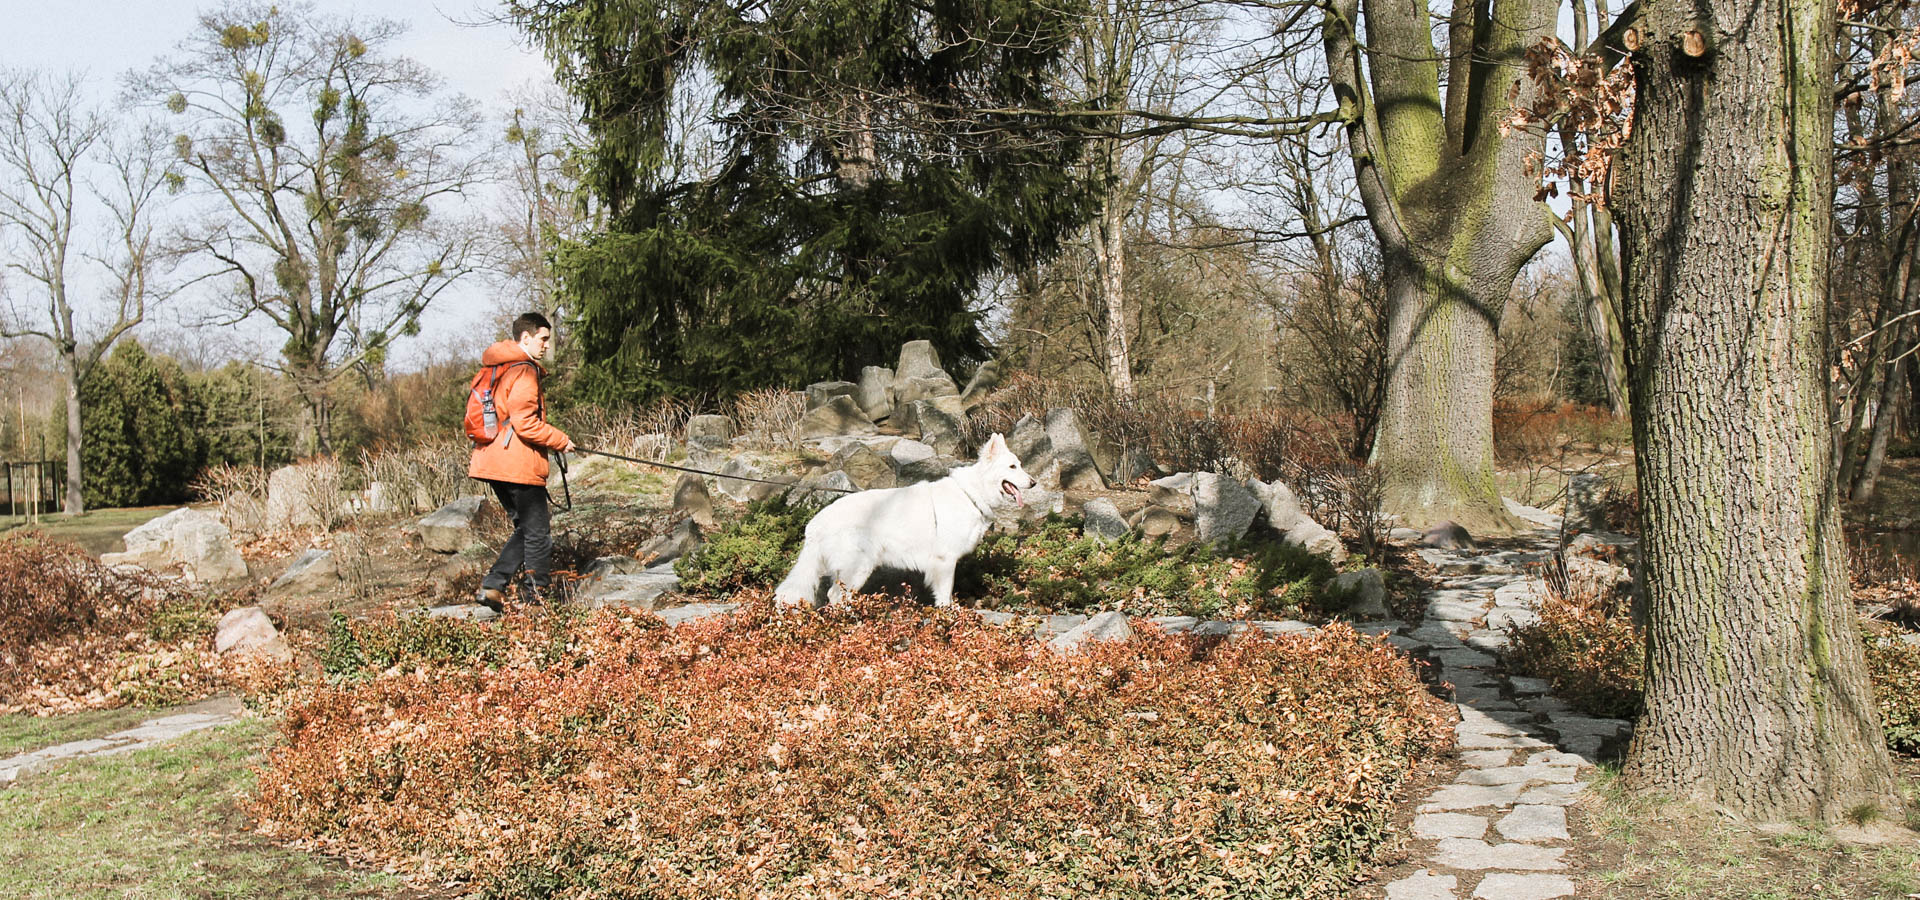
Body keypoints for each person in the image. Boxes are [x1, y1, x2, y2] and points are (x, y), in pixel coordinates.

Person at [469, 312, 574, 607]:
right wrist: (561, 440)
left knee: (527, 528)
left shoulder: (498, 367)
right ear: (525, 338)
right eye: (543, 339)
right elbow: (525, 424)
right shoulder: (524, 371)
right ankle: (536, 598)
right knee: (538, 533)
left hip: (492, 461)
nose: (546, 346)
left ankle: (493, 585)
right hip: (516, 464)